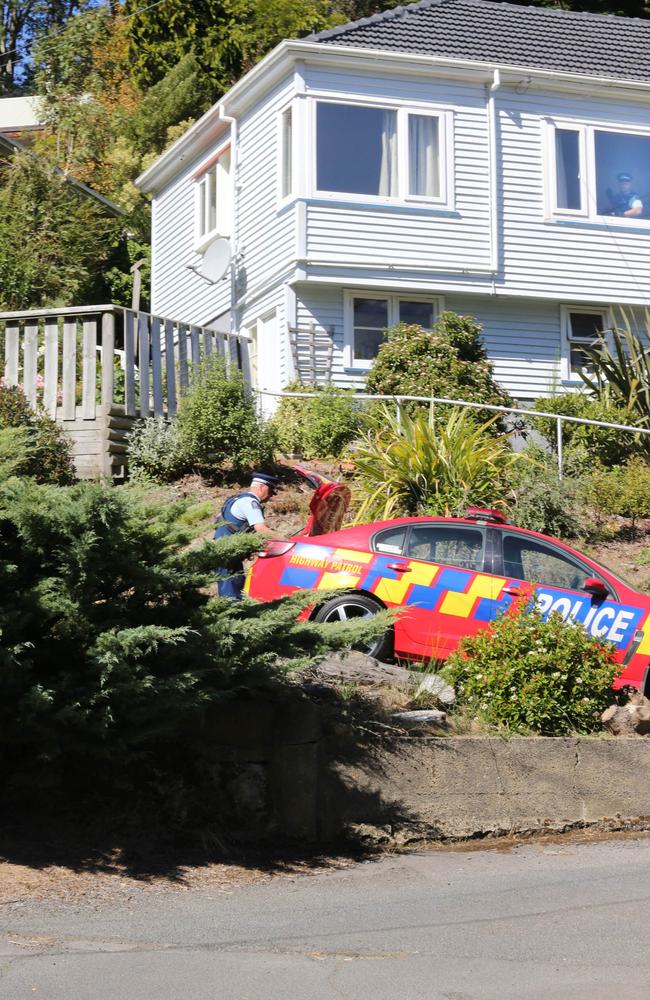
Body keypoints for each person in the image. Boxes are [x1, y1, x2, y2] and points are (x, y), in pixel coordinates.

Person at [214, 472, 280, 598]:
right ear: (262, 487)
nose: (271, 496)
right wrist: (287, 541)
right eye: (271, 491)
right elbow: (261, 529)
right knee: (231, 597)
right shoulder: (250, 503)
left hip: (226, 554)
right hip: (228, 557)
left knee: (236, 590)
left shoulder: (236, 499)